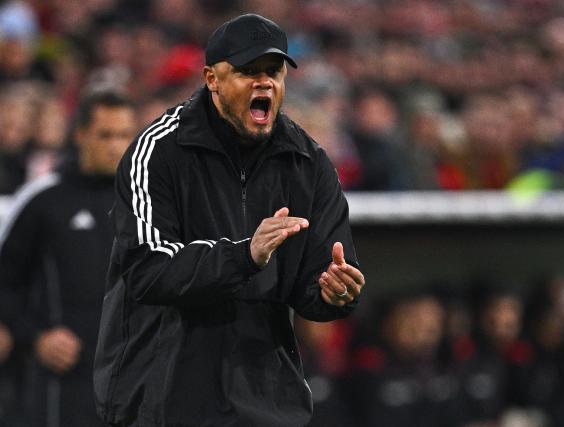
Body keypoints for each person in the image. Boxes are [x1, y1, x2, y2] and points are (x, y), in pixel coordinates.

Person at [93, 13, 365, 427]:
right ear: (211, 79)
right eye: (247, 72)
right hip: (162, 400)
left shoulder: (307, 162)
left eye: (273, 71)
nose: (264, 82)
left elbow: (316, 279)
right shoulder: (158, 151)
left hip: (265, 403)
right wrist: (244, 256)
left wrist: (334, 293)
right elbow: (148, 270)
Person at [0, 90, 136, 426]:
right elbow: (5, 285)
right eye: (105, 135)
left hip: (134, 381)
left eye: (124, 136)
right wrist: (36, 337)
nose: (115, 145)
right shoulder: (44, 202)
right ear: (80, 135)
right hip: (65, 384)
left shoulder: (148, 205)